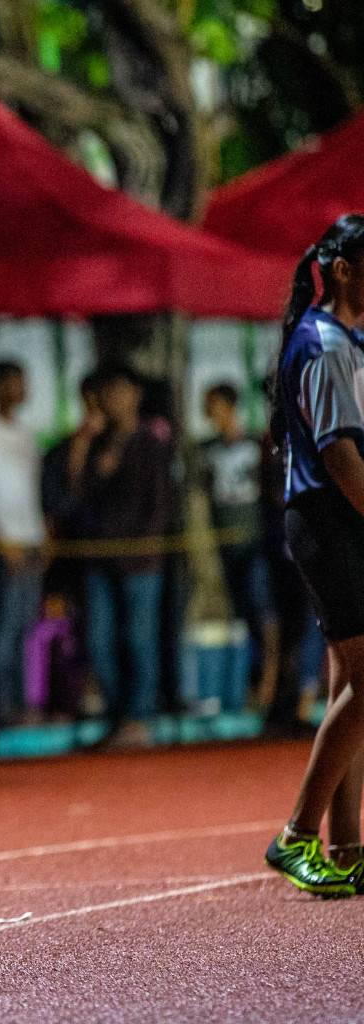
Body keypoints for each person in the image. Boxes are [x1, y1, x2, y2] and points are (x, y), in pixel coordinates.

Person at [263, 214, 364, 896]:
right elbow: (340, 456)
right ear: (347, 269)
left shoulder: (346, 340)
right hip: (332, 521)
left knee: (348, 686)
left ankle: (350, 845)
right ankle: (296, 836)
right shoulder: (327, 345)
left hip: (337, 521)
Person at [76, 364, 172, 748]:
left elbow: (162, 503)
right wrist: (85, 450)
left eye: (120, 391)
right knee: (98, 640)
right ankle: (118, 716)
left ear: (135, 395)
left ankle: (140, 718)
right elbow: (75, 497)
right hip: (99, 558)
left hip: (141, 561)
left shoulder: (153, 442)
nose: (112, 400)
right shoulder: (97, 443)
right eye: (107, 392)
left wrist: (147, 544)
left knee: (139, 638)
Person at [195, 382, 276, 707]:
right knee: (243, 614)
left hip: (255, 544)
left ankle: (269, 678)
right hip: (226, 547)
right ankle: (254, 679)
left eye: (213, 405)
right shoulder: (207, 451)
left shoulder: (255, 445)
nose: (209, 413)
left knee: (263, 610)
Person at [0, 362, 45, 726]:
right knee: (3, 627)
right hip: (3, 547)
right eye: (15, 381)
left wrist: (42, 538)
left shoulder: (26, 434)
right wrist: (3, 542)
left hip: (31, 542)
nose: (22, 388)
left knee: (24, 627)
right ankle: (3, 706)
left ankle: (22, 702)